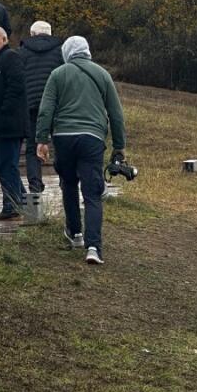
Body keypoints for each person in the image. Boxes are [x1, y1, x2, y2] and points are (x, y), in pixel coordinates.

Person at [35, 36, 127, 266]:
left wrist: (42, 139)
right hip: (92, 138)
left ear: (67, 52)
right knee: (92, 192)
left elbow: (46, 109)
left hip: (64, 137)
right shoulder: (103, 74)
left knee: (68, 183)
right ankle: (93, 246)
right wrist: (119, 145)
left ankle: (74, 232)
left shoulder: (58, 74)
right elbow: (115, 113)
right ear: (87, 51)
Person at [0, 25, 29, 221]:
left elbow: (16, 86)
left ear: (4, 39)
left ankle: (12, 204)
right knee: (3, 164)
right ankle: (23, 202)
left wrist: (4, 110)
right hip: (2, 124)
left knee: (5, 164)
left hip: (11, 123)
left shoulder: (10, 57)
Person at [20, 20, 64, 194]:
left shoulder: (22, 52)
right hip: (55, 104)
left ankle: (35, 185)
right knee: (60, 143)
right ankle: (64, 180)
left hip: (30, 104)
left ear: (32, 34)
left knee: (31, 147)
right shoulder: (60, 51)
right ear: (50, 33)